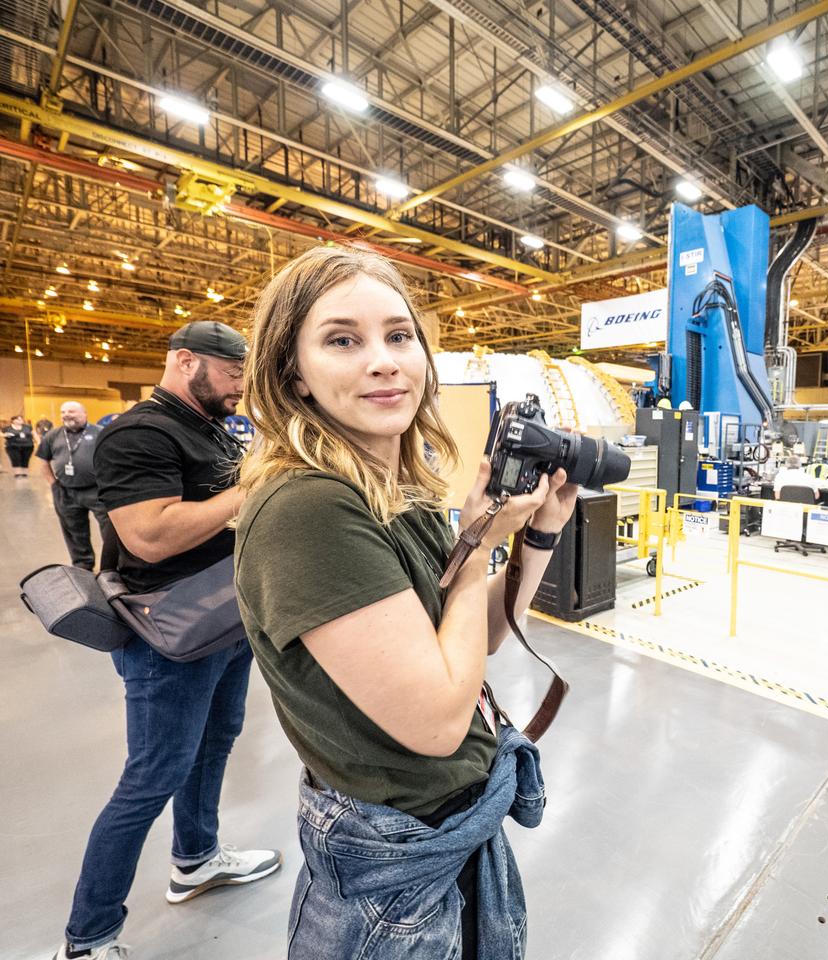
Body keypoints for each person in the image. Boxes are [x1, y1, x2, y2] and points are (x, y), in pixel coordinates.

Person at [233, 246, 577, 958]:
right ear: (292, 374)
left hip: (447, 828)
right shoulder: (310, 509)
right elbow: (436, 722)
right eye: (342, 340)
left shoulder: (395, 489)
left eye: (399, 335)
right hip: (393, 862)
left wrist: (537, 535)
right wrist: (480, 542)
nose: (385, 360)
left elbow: (472, 640)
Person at [51, 321, 281, 960]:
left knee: (213, 747)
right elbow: (149, 535)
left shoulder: (207, 427)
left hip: (222, 623)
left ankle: (196, 858)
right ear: (187, 362)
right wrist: (250, 491)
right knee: (151, 775)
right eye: (234, 374)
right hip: (163, 635)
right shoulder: (138, 433)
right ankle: (89, 937)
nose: (241, 389)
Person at [33, 402, 115, 570]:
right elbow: (43, 459)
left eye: (71, 411)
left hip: (97, 490)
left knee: (110, 529)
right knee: (73, 530)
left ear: (84, 413)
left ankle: (112, 566)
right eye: (63, 411)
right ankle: (83, 566)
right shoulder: (53, 435)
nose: (66, 414)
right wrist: (53, 484)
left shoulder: (99, 432)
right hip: (66, 491)